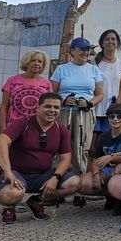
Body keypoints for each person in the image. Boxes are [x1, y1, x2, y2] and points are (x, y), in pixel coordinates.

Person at [0, 93, 82, 224]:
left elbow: (65, 158)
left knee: (75, 182)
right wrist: (8, 172)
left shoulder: (61, 129)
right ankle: (8, 206)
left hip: (43, 175)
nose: (52, 110)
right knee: (10, 195)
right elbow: (0, 141)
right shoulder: (24, 123)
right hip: (16, 174)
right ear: (38, 108)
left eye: (56, 107)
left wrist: (55, 178)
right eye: (48, 106)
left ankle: (36, 201)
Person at [0, 50, 52, 217]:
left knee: (21, 165)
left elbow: (48, 108)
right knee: (4, 164)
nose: (37, 64)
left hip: (33, 131)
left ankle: (18, 199)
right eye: (33, 61)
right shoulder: (12, 81)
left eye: (40, 62)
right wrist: (2, 129)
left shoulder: (46, 84)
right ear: (26, 62)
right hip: (12, 129)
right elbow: (4, 107)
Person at [50, 37, 104, 186]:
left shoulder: (93, 69)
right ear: (72, 51)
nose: (85, 52)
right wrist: (63, 100)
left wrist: (89, 103)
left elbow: (100, 94)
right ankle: (59, 182)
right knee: (62, 145)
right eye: (81, 49)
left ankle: (80, 184)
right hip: (65, 112)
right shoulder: (62, 69)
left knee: (82, 146)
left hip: (85, 112)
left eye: (87, 50)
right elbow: (51, 92)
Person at [80, 103, 121, 209]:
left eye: (119, 116)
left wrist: (111, 157)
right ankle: (112, 196)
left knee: (118, 168)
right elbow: (96, 159)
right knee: (84, 184)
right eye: (112, 116)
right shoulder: (104, 136)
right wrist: (95, 174)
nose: (115, 119)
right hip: (107, 169)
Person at [92, 30, 121, 159]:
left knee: (105, 141)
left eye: (113, 39)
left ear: (117, 42)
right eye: (107, 39)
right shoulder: (94, 63)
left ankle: (102, 167)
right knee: (91, 142)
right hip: (96, 107)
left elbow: (120, 87)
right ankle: (89, 170)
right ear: (102, 43)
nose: (110, 41)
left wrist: (118, 103)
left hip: (111, 109)